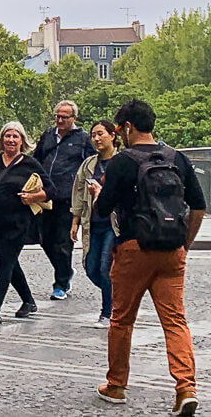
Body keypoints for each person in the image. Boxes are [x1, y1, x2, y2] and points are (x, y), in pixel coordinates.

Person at [95, 99, 205, 416]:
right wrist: (185, 244)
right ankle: (185, 389)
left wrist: (98, 194)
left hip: (134, 248)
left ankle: (116, 385)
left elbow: (103, 210)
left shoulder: (121, 163)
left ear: (128, 127)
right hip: (172, 251)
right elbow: (198, 206)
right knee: (175, 322)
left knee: (122, 320)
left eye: (119, 129)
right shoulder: (178, 159)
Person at [0, 121, 55, 326]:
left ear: (22, 141)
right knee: (10, 263)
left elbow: (52, 190)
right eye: (8, 136)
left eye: (15, 136)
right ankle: (28, 301)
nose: (11, 140)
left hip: (18, 223)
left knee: (5, 264)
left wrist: (34, 197)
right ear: (1, 140)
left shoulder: (29, 164)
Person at [33, 100, 95, 300]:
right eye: (57, 116)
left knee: (62, 241)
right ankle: (66, 271)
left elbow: (92, 165)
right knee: (44, 239)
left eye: (64, 117)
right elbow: (36, 159)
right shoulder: (48, 136)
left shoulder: (83, 139)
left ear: (73, 118)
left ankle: (61, 282)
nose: (59, 120)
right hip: (45, 196)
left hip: (68, 199)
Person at [70, 120, 119, 328]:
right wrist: (75, 220)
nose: (97, 139)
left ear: (112, 136)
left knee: (104, 267)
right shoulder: (89, 164)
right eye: (93, 135)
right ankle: (117, 295)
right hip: (92, 223)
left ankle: (107, 312)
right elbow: (78, 192)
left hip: (113, 223)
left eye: (101, 134)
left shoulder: (121, 162)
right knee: (90, 267)